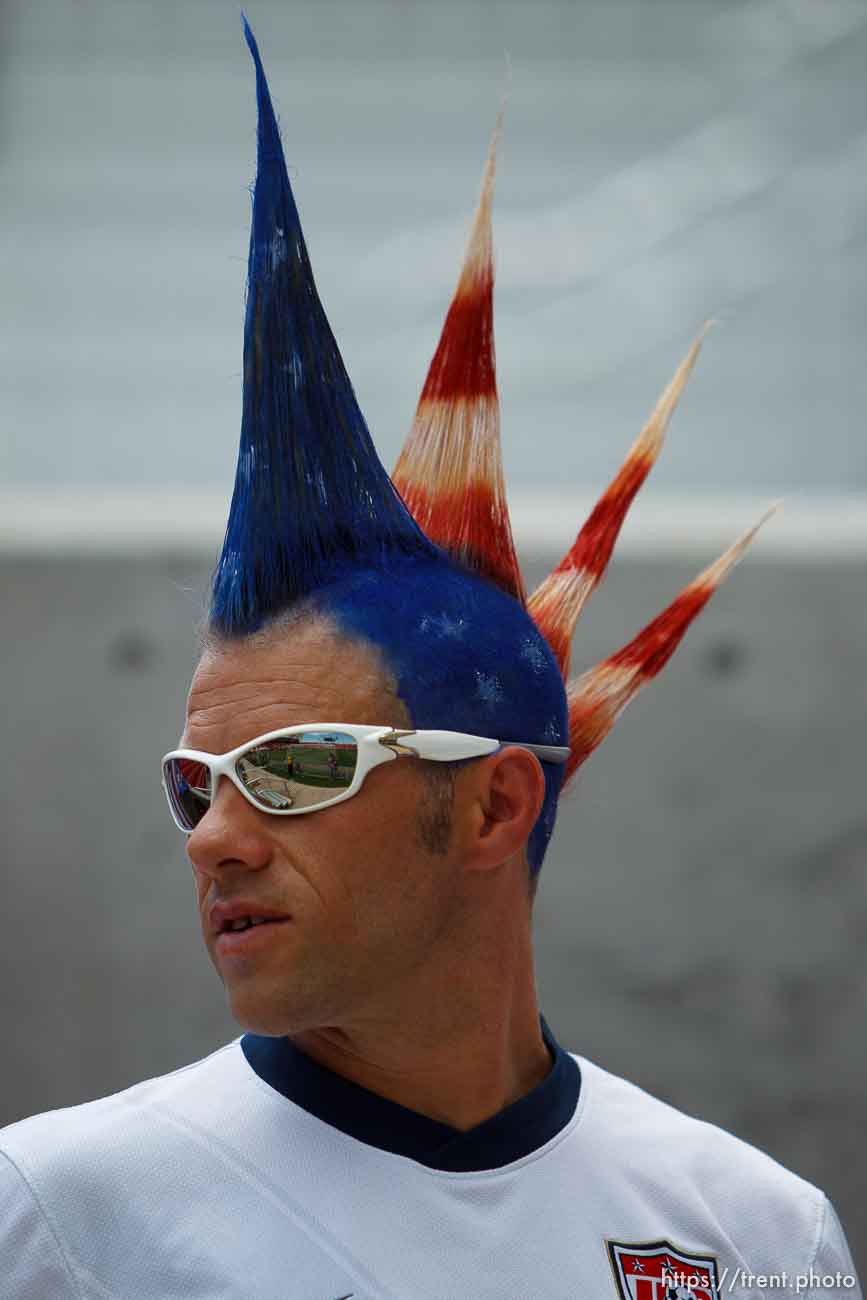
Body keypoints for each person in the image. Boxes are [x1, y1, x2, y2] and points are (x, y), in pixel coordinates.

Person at [0, 20, 860, 1300]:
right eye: (196, 780)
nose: (210, 837)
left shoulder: (755, 1241)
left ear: (495, 802)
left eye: (291, 766)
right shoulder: (56, 1217)